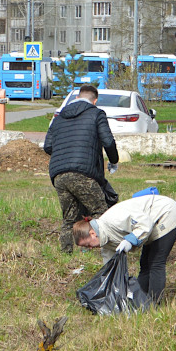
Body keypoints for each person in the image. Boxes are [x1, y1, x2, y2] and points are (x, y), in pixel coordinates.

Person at [43, 84, 120, 253]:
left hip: (59, 174)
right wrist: (114, 161)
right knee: (102, 212)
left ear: (77, 98)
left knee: (69, 218)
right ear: (95, 101)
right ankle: (108, 250)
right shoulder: (96, 113)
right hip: (83, 173)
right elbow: (108, 142)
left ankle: (66, 254)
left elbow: (48, 146)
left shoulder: (59, 116)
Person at [73, 193, 176, 304]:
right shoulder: (104, 241)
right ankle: (141, 301)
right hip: (151, 225)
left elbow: (145, 223)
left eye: (87, 245)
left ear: (92, 233)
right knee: (145, 264)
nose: (90, 248)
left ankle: (154, 304)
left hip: (165, 214)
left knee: (156, 262)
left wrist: (130, 240)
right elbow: (110, 267)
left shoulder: (114, 219)